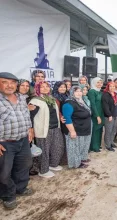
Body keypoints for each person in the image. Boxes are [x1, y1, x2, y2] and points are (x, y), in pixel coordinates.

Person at [0, 72, 34, 210]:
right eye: (4, 82)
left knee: (25, 165)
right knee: (4, 172)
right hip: (4, 143)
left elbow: (26, 115)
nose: (9, 85)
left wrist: (30, 128)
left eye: (13, 82)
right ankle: (7, 195)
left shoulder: (21, 98)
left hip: (23, 139)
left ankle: (21, 187)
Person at [29, 81, 64, 177]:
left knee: (57, 147)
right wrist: (31, 129)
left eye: (47, 86)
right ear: (37, 88)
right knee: (44, 150)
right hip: (44, 130)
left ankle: (53, 164)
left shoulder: (51, 99)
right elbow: (31, 116)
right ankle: (43, 171)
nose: (45, 88)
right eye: (42, 87)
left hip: (55, 127)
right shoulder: (35, 101)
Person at [62, 86, 91, 168]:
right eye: (76, 91)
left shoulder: (80, 101)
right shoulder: (68, 103)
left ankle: (81, 159)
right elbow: (67, 118)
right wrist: (72, 131)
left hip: (83, 129)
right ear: (72, 92)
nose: (79, 93)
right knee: (74, 148)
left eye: (80, 91)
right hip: (75, 130)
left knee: (81, 146)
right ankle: (75, 164)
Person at [102, 82, 117, 152]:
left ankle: (111, 142)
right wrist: (109, 115)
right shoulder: (105, 95)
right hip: (109, 116)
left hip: (116, 115)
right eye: (110, 86)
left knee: (114, 130)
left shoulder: (115, 94)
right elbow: (105, 106)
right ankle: (108, 145)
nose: (112, 88)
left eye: (113, 86)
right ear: (108, 87)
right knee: (108, 131)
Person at [88, 77, 104, 152]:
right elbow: (93, 104)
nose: (99, 84)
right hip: (95, 114)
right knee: (95, 130)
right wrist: (97, 116)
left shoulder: (100, 92)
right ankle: (94, 147)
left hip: (101, 113)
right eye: (98, 82)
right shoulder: (92, 91)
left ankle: (98, 145)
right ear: (94, 83)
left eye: (101, 82)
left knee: (100, 130)